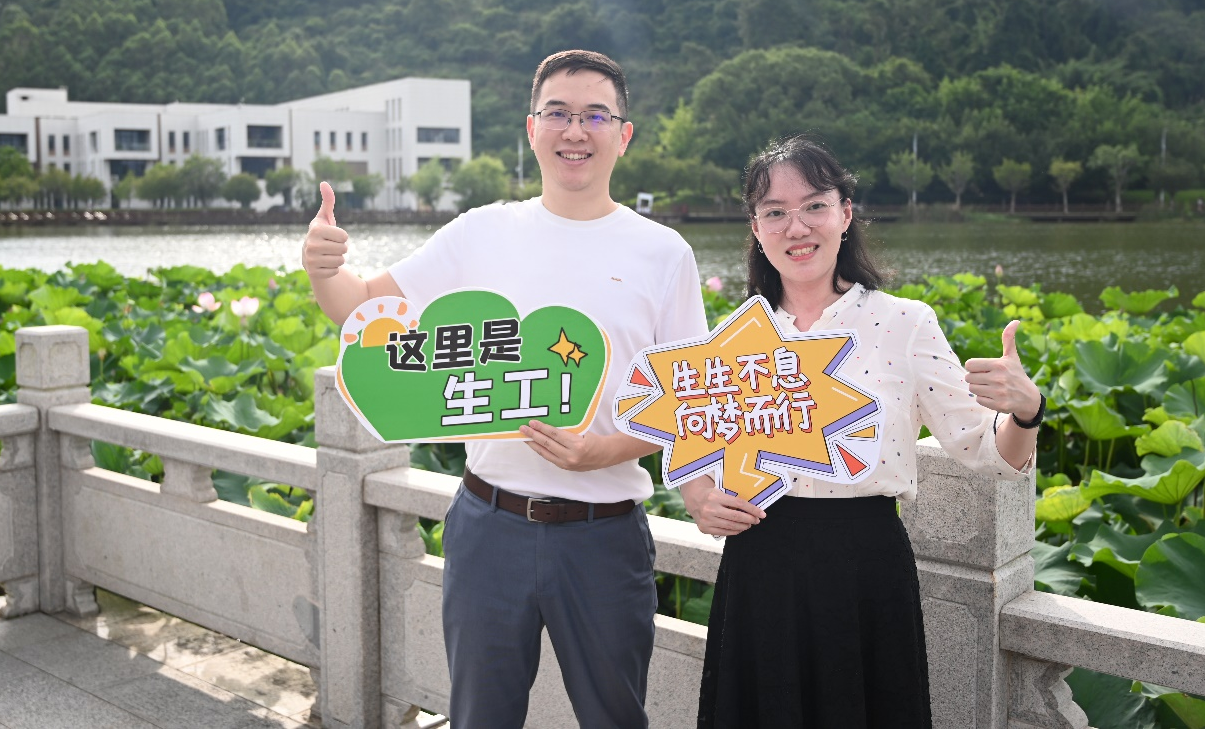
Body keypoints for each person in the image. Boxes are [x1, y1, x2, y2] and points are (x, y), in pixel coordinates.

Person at [301, 50, 708, 728]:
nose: (574, 131)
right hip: (488, 526)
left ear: (623, 135)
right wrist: (323, 269)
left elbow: (689, 403)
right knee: (480, 717)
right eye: (558, 113)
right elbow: (363, 307)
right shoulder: (480, 232)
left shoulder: (664, 253)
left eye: (595, 116)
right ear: (531, 128)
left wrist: (604, 451)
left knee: (614, 718)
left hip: (604, 535)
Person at [682, 136, 1041, 729]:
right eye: (775, 212)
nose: (796, 227)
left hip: (864, 566)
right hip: (759, 564)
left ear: (845, 213)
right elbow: (695, 447)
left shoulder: (904, 323)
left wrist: (1027, 412)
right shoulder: (735, 336)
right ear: (756, 228)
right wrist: (699, 498)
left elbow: (986, 449)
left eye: (814, 205)